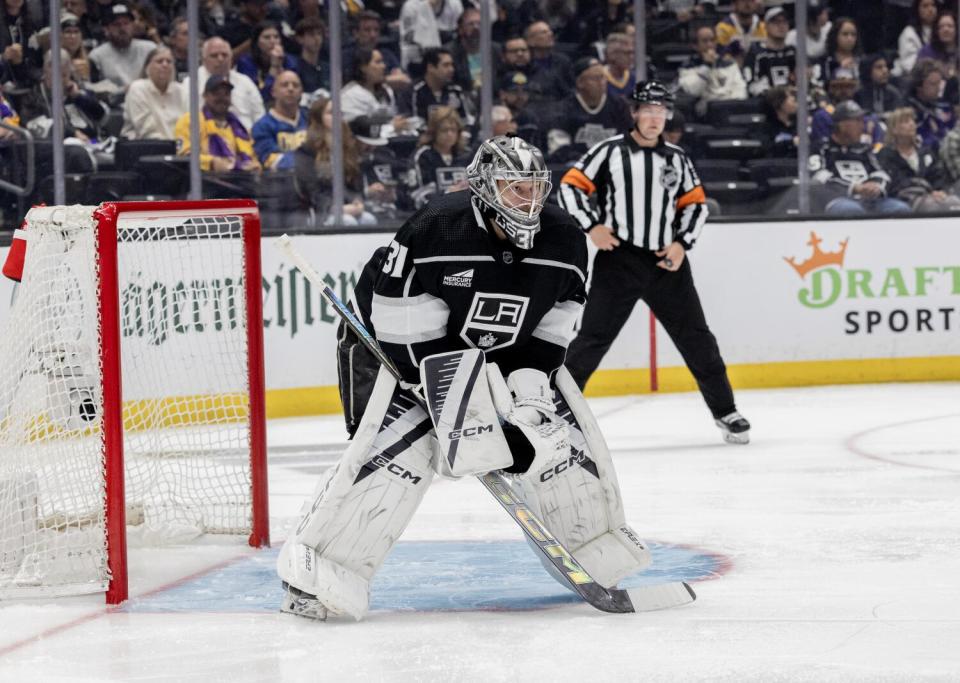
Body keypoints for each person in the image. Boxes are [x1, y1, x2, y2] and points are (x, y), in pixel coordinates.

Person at [278, 134, 653, 623]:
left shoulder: (564, 241)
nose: (528, 200)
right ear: (483, 189)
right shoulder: (436, 228)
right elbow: (405, 335)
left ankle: (597, 551)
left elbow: (554, 327)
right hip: (398, 351)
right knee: (401, 456)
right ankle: (315, 575)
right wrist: (462, 421)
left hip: (497, 354)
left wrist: (528, 406)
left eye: (534, 188)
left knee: (548, 443)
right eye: (513, 188)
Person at [558, 80, 750, 446]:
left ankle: (726, 411)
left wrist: (682, 244)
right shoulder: (609, 152)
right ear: (634, 113)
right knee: (591, 339)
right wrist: (592, 226)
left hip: (667, 263)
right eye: (648, 110)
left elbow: (695, 204)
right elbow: (570, 186)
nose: (654, 118)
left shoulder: (676, 157)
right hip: (621, 258)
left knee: (697, 339)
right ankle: (555, 412)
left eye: (661, 111)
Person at [809, 100, 911, 217]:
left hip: (870, 200)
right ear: (841, 125)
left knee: (900, 208)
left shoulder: (864, 149)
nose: (863, 126)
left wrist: (876, 186)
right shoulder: (822, 148)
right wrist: (854, 188)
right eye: (857, 121)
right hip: (837, 200)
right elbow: (818, 177)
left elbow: (881, 173)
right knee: (851, 210)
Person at [292, 96, 377, 226]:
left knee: (368, 220)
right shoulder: (306, 152)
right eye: (332, 113)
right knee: (347, 222)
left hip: (347, 207)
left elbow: (355, 184)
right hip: (321, 211)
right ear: (318, 118)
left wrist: (357, 201)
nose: (338, 117)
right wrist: (334, 208)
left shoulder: (348, 149)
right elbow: (312, 191)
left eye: (340, 113)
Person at [546, 56, 631, 159]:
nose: (601, 82)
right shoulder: (563, 109)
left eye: (603, 77)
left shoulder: (619, 106)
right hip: (576, 167)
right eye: (595, 78)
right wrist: (588, 160)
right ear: (580, 83)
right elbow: (558, 149)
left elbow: (630, 141)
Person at [878, 106, 960, 213]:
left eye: (913, 121)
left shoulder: (926, 152)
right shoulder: (886, 154)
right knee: (934, 207)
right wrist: (925, 190)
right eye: (906, 121)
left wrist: (939, 190)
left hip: (931, 195)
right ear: (894, 129)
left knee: (954, 202)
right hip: (903, 197)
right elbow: (894, 182)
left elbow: (938, 175)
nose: (912, 124)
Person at [174, 74, 261, 173]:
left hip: (240, 181)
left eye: (226, 94)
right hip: (203, 181)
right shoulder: (190, 121)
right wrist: (212, 163)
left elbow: (252, 158)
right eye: (216, 93)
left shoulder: (239, 127)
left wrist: (254, 166)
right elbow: (185, 158)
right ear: (205, 95)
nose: (222, 98)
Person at [181, 37, 265, 132]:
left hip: (247, 139)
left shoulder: (245, 82)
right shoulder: (191, 83)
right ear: (203, 60)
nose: (220, 59)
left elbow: (259, 116)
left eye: (224, 55)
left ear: (231, 58)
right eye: (214, 55)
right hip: (206, 136)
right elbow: (186, 117)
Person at [677, 24, 748, 118]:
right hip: (706, 114)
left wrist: (728, 104)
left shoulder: (729, 64)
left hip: (731, 110)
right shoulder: (687, 67)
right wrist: (707, 66)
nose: (710, 45)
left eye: (712, 40)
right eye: (705, 41)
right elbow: (694, 91)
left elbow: (741, 89)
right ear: (695, 46)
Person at [410, 105, 469, 207]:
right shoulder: (423, 156)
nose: (449, 134)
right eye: (444, 130)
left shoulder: (465, 156)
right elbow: (419, 195)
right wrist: (448, 193)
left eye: (453, 130)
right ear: (434, 132)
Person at [121, 45, 183, 139]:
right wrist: (172, 147)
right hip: (146, 146)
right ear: (147, 67)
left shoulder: (181, 90)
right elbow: (146, 130)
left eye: (169, 62)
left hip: (181, 146)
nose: (165, 65)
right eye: (159, 61)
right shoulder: (138, 88)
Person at [88, 4, 156, 89]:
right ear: (107, 29)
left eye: (126, 23)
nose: (122, 28)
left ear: (133, 25)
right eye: (117, 24)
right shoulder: (97, 56)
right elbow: (95, 90)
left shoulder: (150, 49)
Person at [251, 70, 307, 170]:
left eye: (295, 85)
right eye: (285, 85)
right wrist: (308, 161)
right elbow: (269, 159)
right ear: (273, 92)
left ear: (301, 92)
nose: (291, 89)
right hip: (279, 182)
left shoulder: (310, 119)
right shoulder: (262, 126)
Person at [235, 22, 299, 103]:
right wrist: (274, 67)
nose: (273, 41)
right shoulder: (246, 62)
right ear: (257, 42)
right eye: (267, 37)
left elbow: (293, 91)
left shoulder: (291, 61)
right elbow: (259, 97)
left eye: (276, 37)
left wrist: (280, 66)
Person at [743, 6, 796, 97]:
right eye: (776, 22)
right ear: (766, 26)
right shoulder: (756, 53)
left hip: (794, 100)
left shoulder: (793, 52)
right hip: (766, 103)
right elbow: (751, 86)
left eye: (784, 21)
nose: (781, 26)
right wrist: (778, 95)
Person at [410, 47, 469, 123]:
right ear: (430, 67)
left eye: (452, 65)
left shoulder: (456, 91)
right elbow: (414, 124)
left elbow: (465, 120)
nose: (451, 69)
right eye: (446, 65)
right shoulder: (414, 91)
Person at [906, 59, 955, 151]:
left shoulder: (944, 105)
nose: (938, 88)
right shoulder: (909, 111)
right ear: (918, 85)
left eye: (939, 83)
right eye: (933, 84)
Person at [894, 0, 938, 77]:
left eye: (933, 5)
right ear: (917, 10)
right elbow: (909, 65)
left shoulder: (941, 29)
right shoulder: (909, 33)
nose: (930, 9)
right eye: (925, 6)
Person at [293, 17, 330, 94]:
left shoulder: (328, 68)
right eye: (311, 34)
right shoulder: (295, 69)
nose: (317, 38)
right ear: (300, 39)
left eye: (319, 34)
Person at [603, 32, 636, 100]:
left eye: (632, 53)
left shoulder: (635, 78)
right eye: (626, 53)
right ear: (612, 55)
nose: (631, 57)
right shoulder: (599, 79)